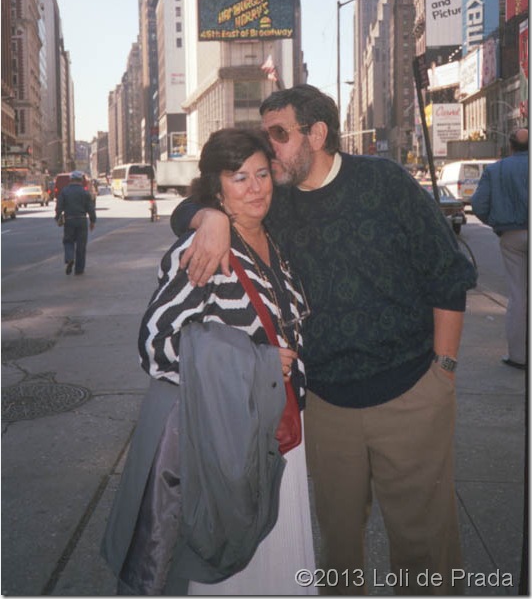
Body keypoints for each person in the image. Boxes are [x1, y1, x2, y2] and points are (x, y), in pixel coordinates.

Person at [172, 84, 478, 596]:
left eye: (279, 135)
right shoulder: (277, 202)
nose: (268, 151)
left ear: (316, 134)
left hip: (410, 396)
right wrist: (209, 218)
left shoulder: (384, 182)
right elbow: (199, 202)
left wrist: (442, 374)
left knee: (425, 549)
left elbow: (448, 273)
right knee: (337, 550)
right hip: (327, 408)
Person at [101, 128, 316, 596]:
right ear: (217, 190)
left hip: (279, 432)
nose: (256, 188)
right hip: (228, 446)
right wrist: (254, 366)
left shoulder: (271, 243)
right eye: (239, 178)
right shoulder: (205, 249)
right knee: (235, 573)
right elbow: (156, 344)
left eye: (262, 174)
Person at [471, 128, 528, 370]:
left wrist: (497, 223)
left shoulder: (496, 170)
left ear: (510, 146)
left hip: (512, 235)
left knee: (518, 294)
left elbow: (478, 204)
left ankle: (519, 356)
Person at [55, 170, 96, 275]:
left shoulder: (64, 191)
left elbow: (59, 207)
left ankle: (69, 258)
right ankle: (79, 270)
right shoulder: (84, 192)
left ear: (70, 179)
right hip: (82, 220)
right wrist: (92, 221)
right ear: (81, 180)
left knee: (68, 241)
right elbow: (90, 208)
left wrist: (58, 217)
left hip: (69, 220)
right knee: (81, 245)